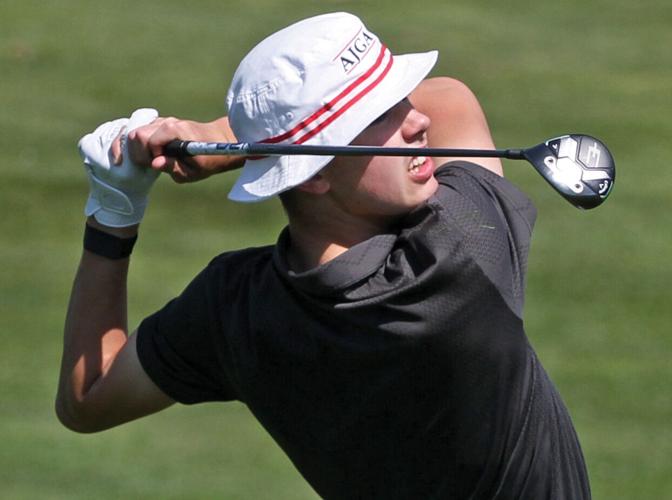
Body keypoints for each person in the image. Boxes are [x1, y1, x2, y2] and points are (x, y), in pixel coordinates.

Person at [56, 12, 591, 499]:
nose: (417, 122)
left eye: (399, 100)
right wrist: (224, 141)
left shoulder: (233, 310)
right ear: (312, 175)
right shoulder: (458, 253)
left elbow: (88, 398)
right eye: (381, 115)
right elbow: (450, 98)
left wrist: (114, 210)